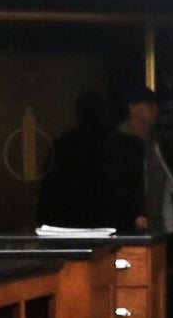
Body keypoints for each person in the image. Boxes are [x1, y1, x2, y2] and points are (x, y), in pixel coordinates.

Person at [38, 92, 123, 230]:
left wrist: (44, 220)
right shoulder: (116, 143)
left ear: (77, 113)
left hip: (68, 219)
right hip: (104, 219)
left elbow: (48, 189)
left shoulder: (63, 143)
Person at [119, 90, 173, 238]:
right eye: (149, 105)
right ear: (133, 107)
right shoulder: (117, 144)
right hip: (127, 229)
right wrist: (133, 213)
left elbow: (170, 187)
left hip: (159, 228)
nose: (155, 110)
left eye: (156, 105)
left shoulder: (158, 144)